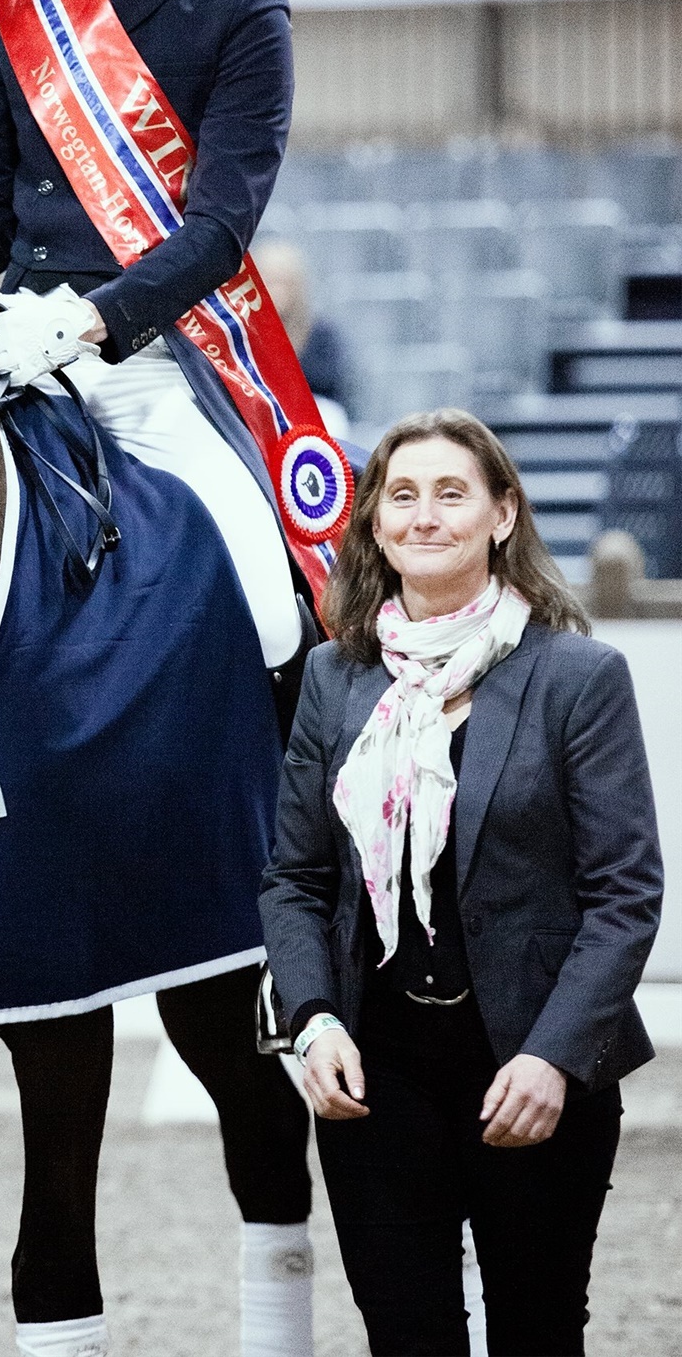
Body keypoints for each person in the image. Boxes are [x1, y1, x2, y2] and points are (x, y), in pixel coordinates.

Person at [0, 0, 321, 1357]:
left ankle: (285, 844)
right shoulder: (21, 12)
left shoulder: (238, 12)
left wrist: (96, 319)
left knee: (266, 582)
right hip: (20, 354)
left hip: (168, 368)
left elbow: (222, 218)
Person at [259, 408, 664, 1357]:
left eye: (452, 493)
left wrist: (555, 1057)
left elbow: (625, 893)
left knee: (538, 1335)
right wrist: (312, 1020)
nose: (425, 515)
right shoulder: (333, 678)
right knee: (408, 1337)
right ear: (374, 522)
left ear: (502, 513)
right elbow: (295, 878)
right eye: (402, 495)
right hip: (376, 1076)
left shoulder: (579, 676)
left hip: (533, 1071)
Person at [253, 237, 350, 435]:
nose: (276, 290)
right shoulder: (240, 332)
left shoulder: (320, 334)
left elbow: (332, 388)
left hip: (308, 424)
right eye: (269, 281)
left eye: (283, 282)